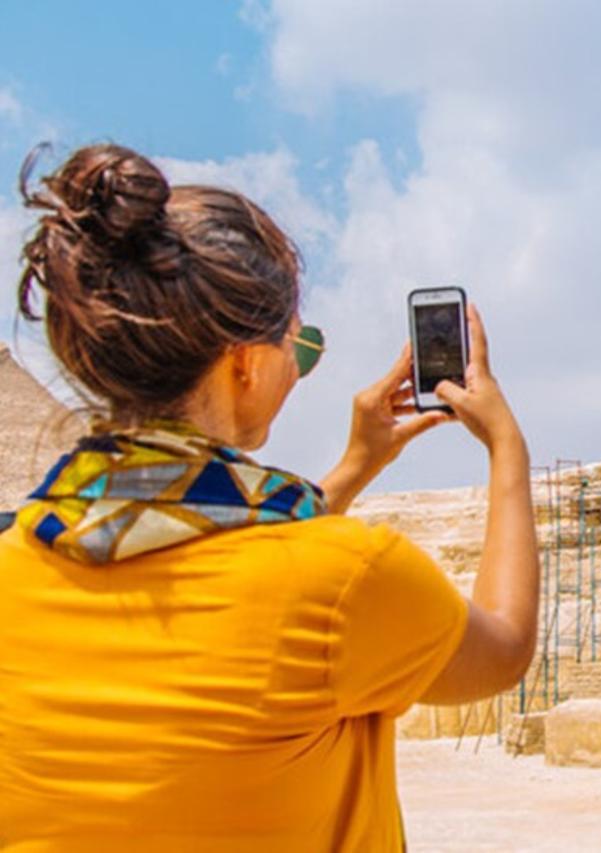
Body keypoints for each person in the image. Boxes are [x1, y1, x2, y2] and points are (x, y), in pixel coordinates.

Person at [0, 144, 539, 851]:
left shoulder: (16, 562)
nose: (299, 367)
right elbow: (502, 647)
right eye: (299, 347)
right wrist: (507, 448)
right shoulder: (349, 576)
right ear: (245, 364)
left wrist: (353, 465)